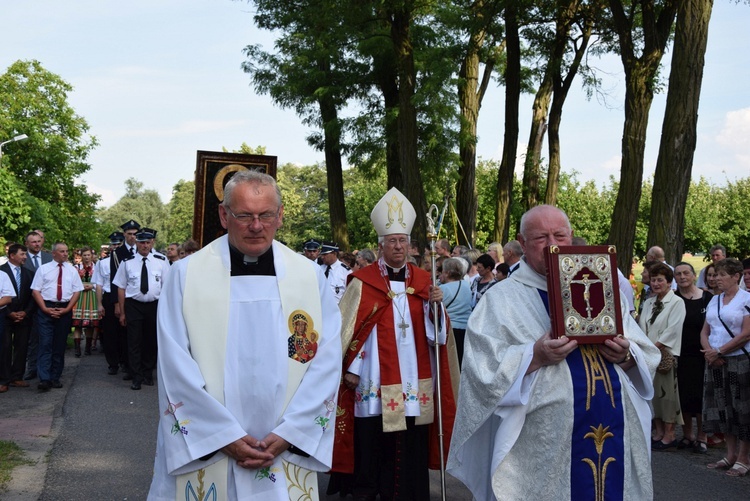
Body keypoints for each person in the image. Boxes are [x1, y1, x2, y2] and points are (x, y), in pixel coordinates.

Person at [148, 170, 342, 500]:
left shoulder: (308, 277)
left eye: (266, 215)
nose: (256, 226)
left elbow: (325, 358)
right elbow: (173, 364)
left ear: (279, 216)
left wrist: (291, 433)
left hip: (282, 446)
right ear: (224, 215)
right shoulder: (186, 276)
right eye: (244, 215)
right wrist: (223, 437)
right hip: (210, 446)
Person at [447, 205, 659, 500]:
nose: (553, 244)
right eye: (540, 238)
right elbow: (481, 369)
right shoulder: (501, 299)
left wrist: (625, 354)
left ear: (570, 236)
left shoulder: (603, 288)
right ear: (521, 243)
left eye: (560, 234)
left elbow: (644, 351)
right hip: (542, 442)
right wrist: (535, 356)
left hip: (616, 427)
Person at [330, 187, 457, 500]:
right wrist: (353, 367)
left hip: (414, 379)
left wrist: (434, 307)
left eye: (402, 241)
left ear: (411, 246)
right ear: (380, 245)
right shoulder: (362, 281)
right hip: (373, 377)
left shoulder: (427, 282)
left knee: (410, 444)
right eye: (391, 241)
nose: (398, 246)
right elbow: (353, 329)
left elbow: (437, 337)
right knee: (373, 443)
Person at [701, 258, 750, 477]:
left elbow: (746, 333)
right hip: (715, 361)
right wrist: (710, 353)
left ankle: (744, 458)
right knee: (723, 407)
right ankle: (729, 455)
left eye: (721, 275)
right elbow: (705, 331)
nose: (717, 279)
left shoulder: (746, 299)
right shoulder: (714, 300)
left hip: (739, 361)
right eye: (715, 275)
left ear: (735, 276)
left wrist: (720, 351)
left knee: (743, 409)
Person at [113, 228, 170, 390]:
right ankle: (136, 376)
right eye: (141, 242)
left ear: (152, 242)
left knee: (151, 341)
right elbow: (121, 287)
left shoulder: (161, 260)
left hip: (154, 305)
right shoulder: (127, 262)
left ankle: (147, 373)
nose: (144, 246)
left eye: (147, 242)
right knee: (134, 341)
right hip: (134, 305)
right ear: (136, 243)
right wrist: (122, 312)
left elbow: (166, 287)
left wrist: (165, 311)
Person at [638, 262, 686, 450]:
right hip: (647, 355)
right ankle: (658, 432)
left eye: (660, 280)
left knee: (667, 397)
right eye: (653, 280)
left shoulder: (677, 302)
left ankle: (670, 434)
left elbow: (672, 330)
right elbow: (641, 327)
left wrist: (653, 347)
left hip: (664, 355)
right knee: (653, 395)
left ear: (668, 282)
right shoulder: (649, 302)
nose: (656, 283)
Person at [30, 242, 83, 391]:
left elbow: (77, 291)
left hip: (63, 310)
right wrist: (44, 308)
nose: (65, 254)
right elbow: (36, 291)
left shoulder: (72, 270)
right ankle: (44, 378)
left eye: (66, 251)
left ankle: (55, 377)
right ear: (54, 253)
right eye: (62, 251)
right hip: (46, 308)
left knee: (59, 345)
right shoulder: (44, 269)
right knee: (45, 343)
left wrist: (67, 309)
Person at [673, 261, 713, 454]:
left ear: (694, 275)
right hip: (681, 354)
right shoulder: (673, 299)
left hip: (702, 354)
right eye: (678, 274)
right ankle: (687, 435)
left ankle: (702, 437)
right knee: (684, 396)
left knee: (701, 396)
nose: (682, 277)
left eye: (686, 273)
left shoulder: (707, 298)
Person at [0, 244, 34, 392]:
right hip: (5, 315)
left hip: (23, 316)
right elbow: (4, 295)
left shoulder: (28, 273)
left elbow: (33, 296)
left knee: (21, 347)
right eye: (22, 254)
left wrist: (25, 312)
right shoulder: (2, 272)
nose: (25, 257)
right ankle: (4, 379)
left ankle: (17, 377)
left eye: (25, 254)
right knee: (5, 347)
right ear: (12, 255)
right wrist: (9, 312)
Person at [110, 219, 140, 380]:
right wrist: (116, 304)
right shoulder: (117, 253)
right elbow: (115, 281)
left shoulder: (143, 249)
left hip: (139, 297)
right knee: (125, 334)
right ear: (124, 235)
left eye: (135, 234)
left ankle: (138, 366)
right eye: (129, 234)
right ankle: (126, 365)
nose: (132, 237)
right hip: (124, 298)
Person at [22, 230, 52, 381]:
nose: (37, 244)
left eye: (39, 241)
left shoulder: (49, 258)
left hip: (46, 303)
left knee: (46, 339)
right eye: (33, 242)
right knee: (29, 339)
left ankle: (45, 369)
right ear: (26, 244)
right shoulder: (22, 258)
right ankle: (31, 368)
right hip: (26, 305)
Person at [94, 232, 125, 375]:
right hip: (108, 298)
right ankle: (112, 363)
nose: (115, 246)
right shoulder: (102, 262)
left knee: (124, 331)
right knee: (110, 332)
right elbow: (99, 284)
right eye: (113, 244)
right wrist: (99, 304)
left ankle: (125, 361)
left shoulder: (126, 260)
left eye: (118, 244)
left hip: (124, 298)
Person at [439, 257, 472, 367]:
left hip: (451, 329)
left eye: (442, 272)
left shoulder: (443, 289)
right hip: (465, 328)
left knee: (451, 364)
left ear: (447, 273)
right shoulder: (466, 285)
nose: (440, 275)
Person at [71, 246, 99, 356]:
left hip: (92, 296)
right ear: (81, 256)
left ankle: (88, 347)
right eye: (84, 255)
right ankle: (77, 349)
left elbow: (100, 282)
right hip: (79, 296)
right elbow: (73, 282)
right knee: (78, 324)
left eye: (88, 255)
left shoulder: (97, 267)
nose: (86, 257)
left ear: (91, 256)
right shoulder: (76, 267)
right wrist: (83, 286)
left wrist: (92, 286)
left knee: (90, 324)